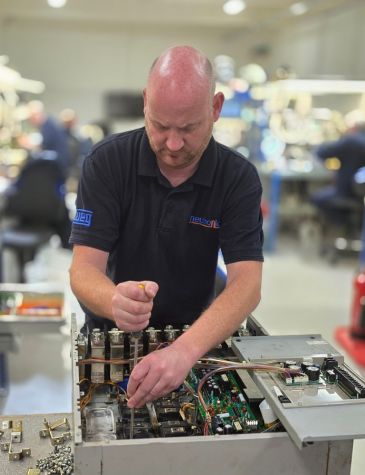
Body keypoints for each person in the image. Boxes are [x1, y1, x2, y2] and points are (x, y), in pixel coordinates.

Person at [69, 45, 263, 409]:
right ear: (146, 102)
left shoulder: (238, 178)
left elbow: (247, 285)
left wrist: (183, 351)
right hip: (110, 339)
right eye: (160, 126)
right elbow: (82, 270)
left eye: (189, 128)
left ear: (216, 108)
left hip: (195, 339)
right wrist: (114, 301)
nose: (173, 144)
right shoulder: (106, 163)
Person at [311, 115, 365, 224]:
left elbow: (322, 152)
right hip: (361, 196)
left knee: (315, 197)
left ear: (353, 128)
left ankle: (338, 227)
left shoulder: (350, 141)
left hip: (344, 191)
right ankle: (347, 227)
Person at [21, 100, 71, 179]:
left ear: (37, 115)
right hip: (55, 164)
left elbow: (45, 149)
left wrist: (30, 146)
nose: (30, 122)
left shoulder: (49, 127)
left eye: (31, 118)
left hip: (57, 167)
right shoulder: (48, 124)